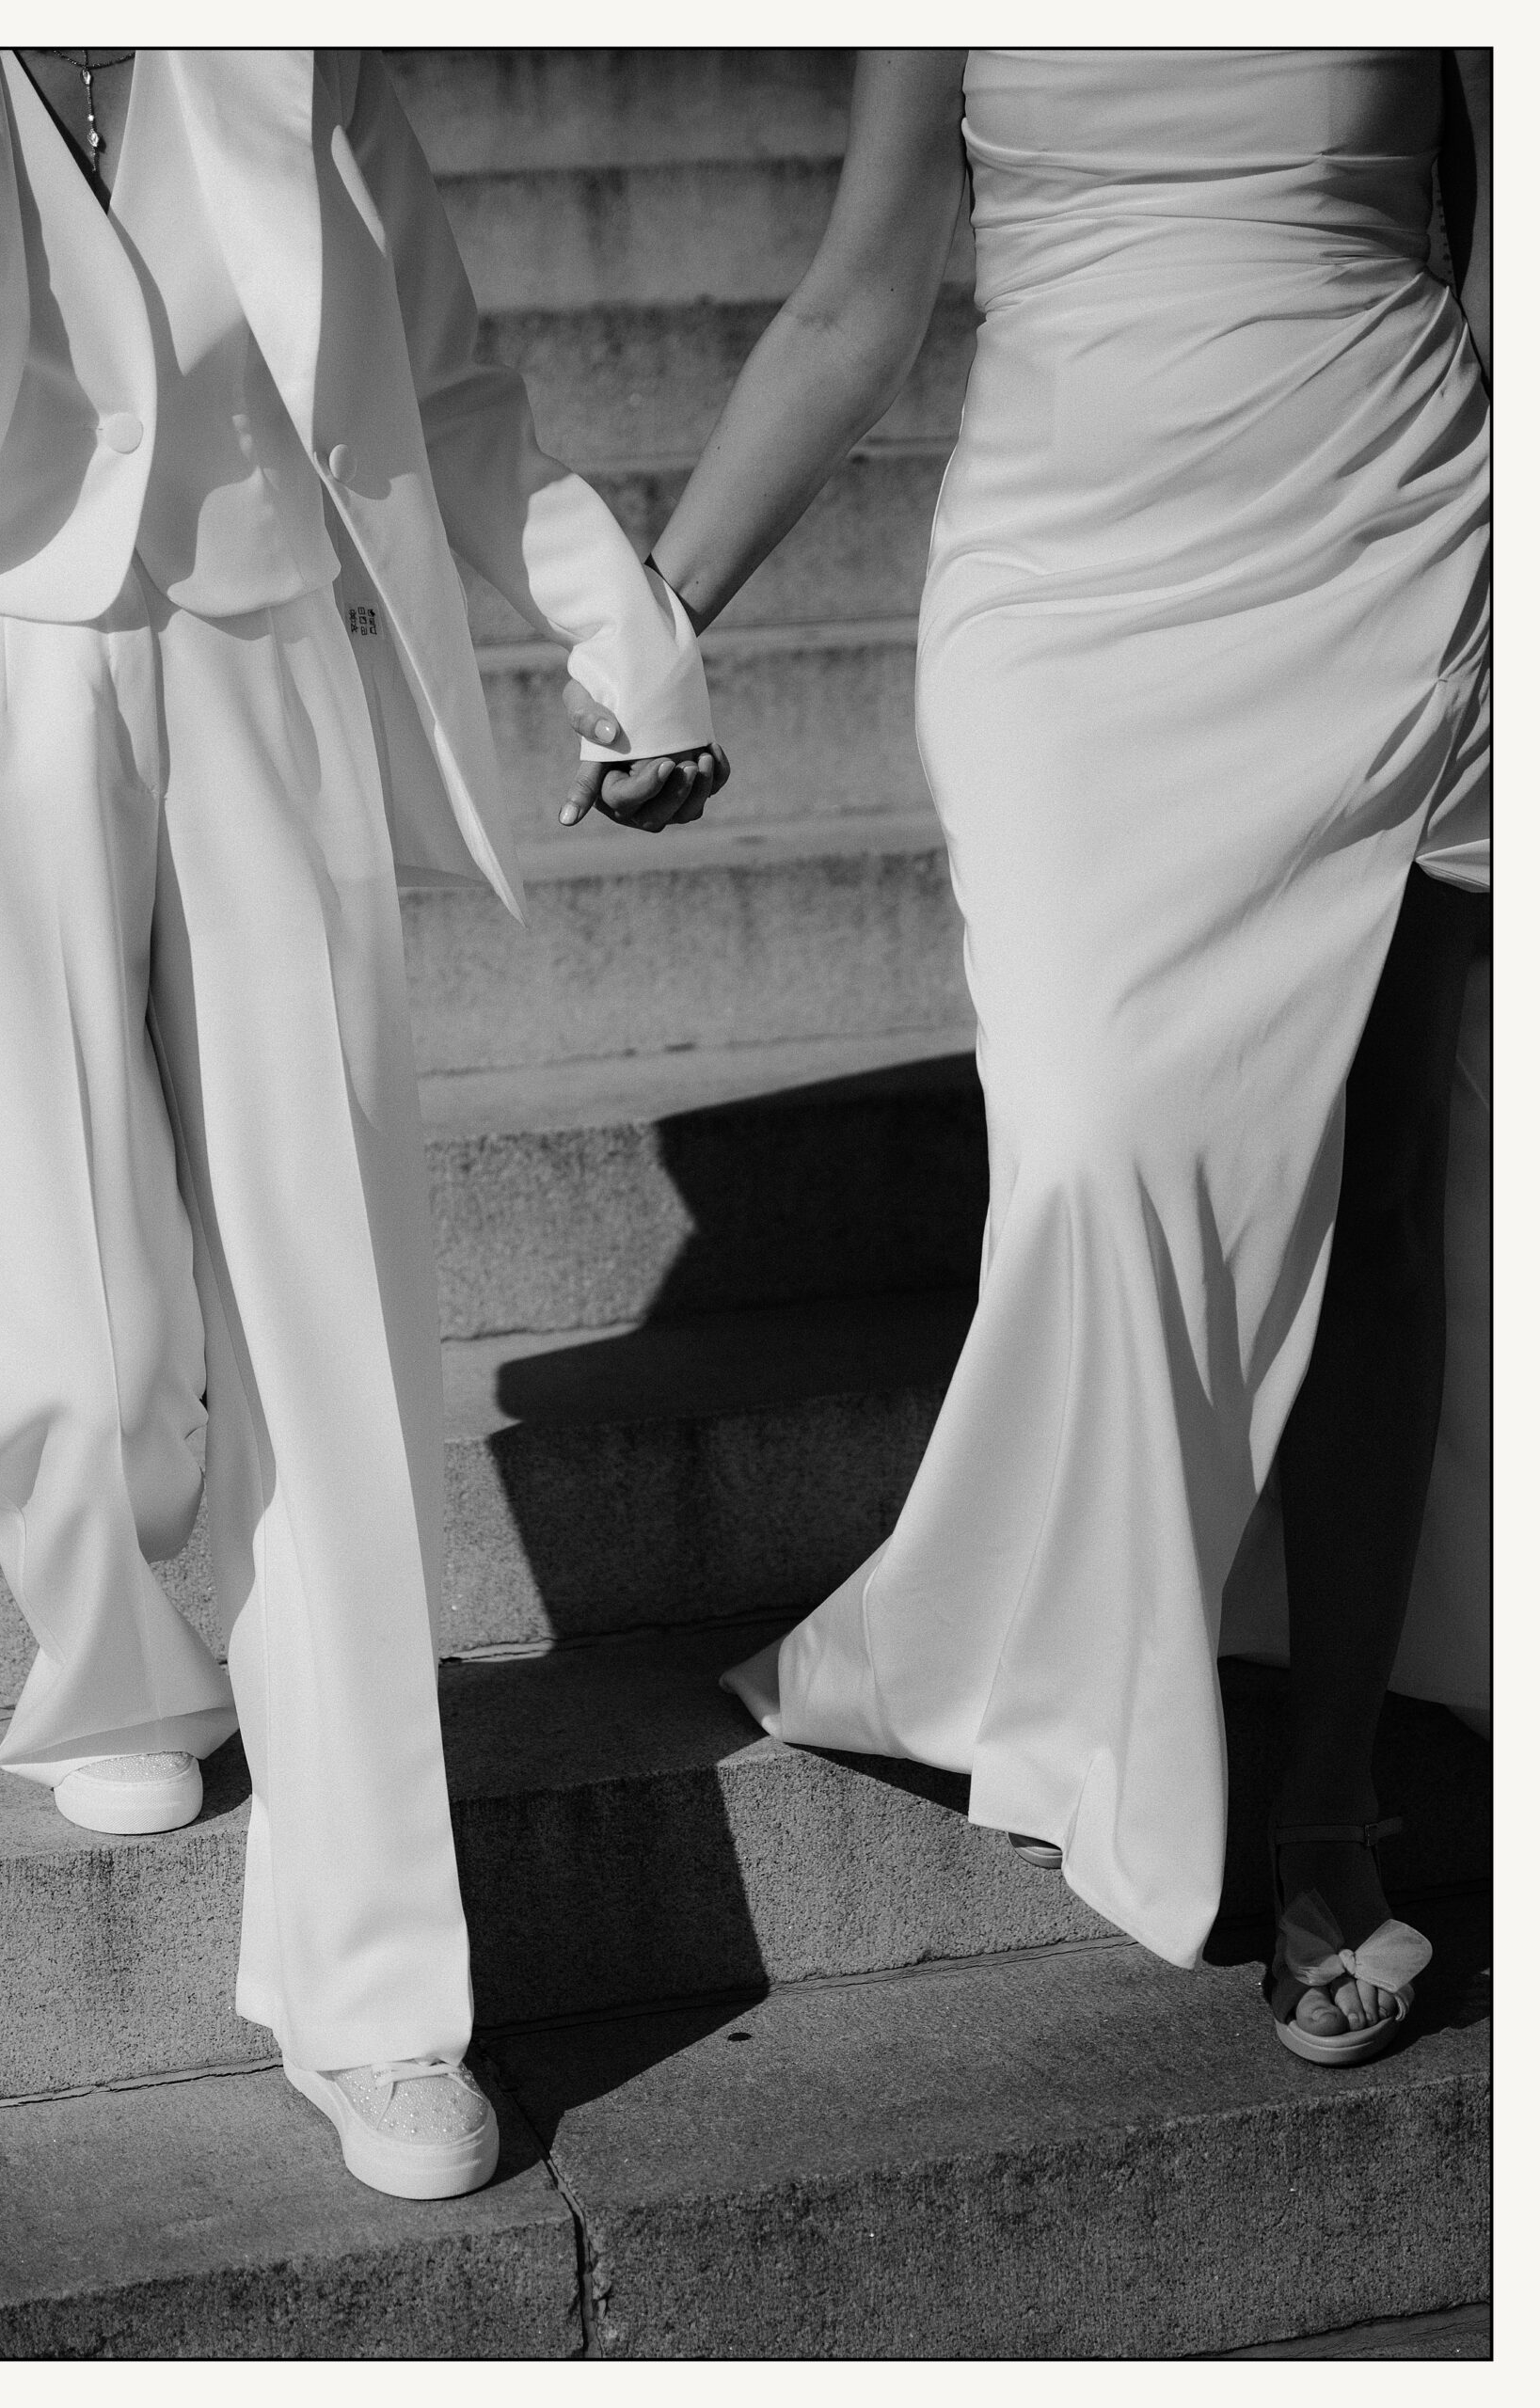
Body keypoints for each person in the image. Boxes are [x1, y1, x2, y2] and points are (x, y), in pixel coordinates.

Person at [568, 49, 1490, 2064]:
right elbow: (858, 294)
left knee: (1380, 1179)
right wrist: (662, 618)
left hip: (1399, 544)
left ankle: (1334, 1812)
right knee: (1084, 1141)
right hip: (1068, 593)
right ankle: (1017, 1634)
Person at [0, 45, 723, 2199]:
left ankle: (375, 1988)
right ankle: (109, 1643)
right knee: (75, 1353)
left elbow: (450, 382)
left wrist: (614, 615)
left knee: (335, 1335)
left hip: (259, 637)